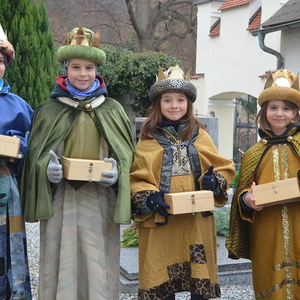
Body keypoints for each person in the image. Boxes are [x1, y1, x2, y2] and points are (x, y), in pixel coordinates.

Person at [20, 27, 134, 300]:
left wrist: (118, 172)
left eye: (89, 67)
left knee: (100, 260)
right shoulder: (49, 110)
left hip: (101, 201)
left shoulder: (113, 109)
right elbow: (34, 155)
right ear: (65, 69)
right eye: (76, 67)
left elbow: (128, 154)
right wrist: (45, 170)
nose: (83, 74)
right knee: (62, 259)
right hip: (62, 201)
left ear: (97, 70)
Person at [130, 65, 235, 300]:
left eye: (180, 100)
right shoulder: (147, 138)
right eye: (167, 100)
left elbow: (224, 168)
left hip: (195, 221)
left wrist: (212, 181)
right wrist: (149, 198)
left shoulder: (201, 134)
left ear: (189, 103)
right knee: (160, 275)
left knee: (199, 274)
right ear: (158, 104)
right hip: (161, 223)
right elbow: (137, 176)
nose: (174, 105)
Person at [226, 69, 300, 299]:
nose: (279, 113)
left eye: (286, 108)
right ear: (264, 111)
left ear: (296, 114)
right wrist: (247, 200)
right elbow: (243, 192)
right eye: (273, 107)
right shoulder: (253, 153)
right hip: (266, 230)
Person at [0, 25, 33, 299]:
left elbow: (34, 140)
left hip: (5, 184)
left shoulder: (19, 105)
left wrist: (17, 145)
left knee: (7, 254)